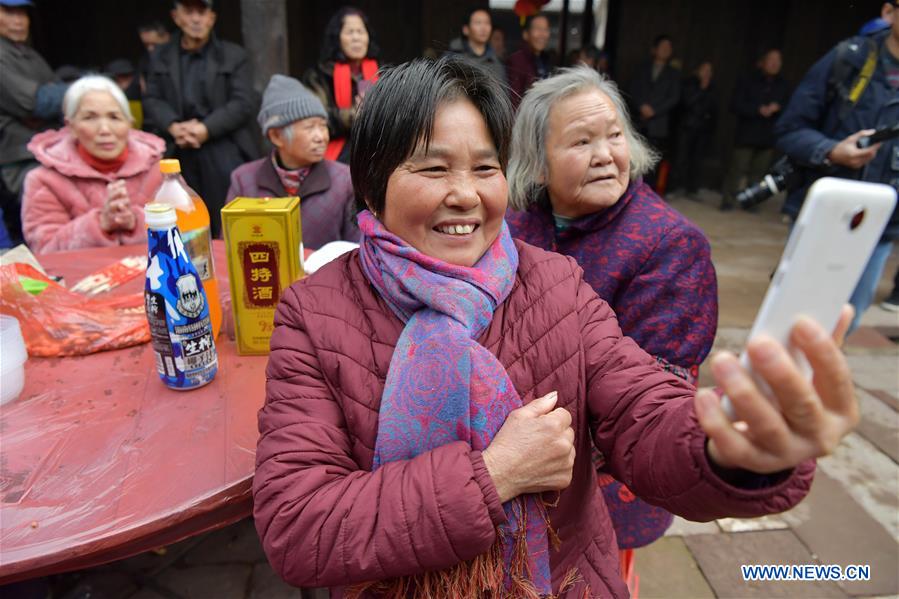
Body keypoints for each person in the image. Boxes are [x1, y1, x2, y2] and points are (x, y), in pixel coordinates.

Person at [253, 55, 859, 598]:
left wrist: (734, 450)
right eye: (434, 169)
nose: (466, 195)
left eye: (485, 167)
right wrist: (494, 475)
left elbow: (644, 412)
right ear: (373, 181)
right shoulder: (314, 313)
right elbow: (298, 527)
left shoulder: (555, 284)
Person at [504, 66, 717, 580]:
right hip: (511, 467)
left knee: (596, 577)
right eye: (581, 141)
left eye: (615, 135)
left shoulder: (669, 244)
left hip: (601, 479)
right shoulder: (515, 222)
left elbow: (657, 387)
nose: (605, 155)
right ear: (537, 165)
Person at [775, 1, 899, 331]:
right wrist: (831, 151)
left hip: (883, 225)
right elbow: (789, 129)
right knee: (795, 319)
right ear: (889, 11)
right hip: (828, 215)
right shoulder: (850, 58)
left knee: (844, 324)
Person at [143, 0, 259, 238]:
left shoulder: (233, 55)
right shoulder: (160, 57)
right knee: (177, 214)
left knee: (226, 214)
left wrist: (205, 129)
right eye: (189, 12)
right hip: (177, 146)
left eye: (201, 12)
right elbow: (152, 99)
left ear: (211, 18)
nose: (196, 19)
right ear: (176, 17)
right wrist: (173, 126)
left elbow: (242, 102)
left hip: (221, 143)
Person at [21, 75, 165, 254]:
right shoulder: (42, 180)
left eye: (114, 117)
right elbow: (44, 249)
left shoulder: (159, 171)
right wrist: (100, 224)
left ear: (129, 123)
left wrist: (136, 221)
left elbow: (189, 232)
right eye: (90, 118)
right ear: (70, 126)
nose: (105, 130)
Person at [226, 75, 359, 249]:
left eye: (323, 126)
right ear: (276, 136)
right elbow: (230, 246)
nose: (321, 137)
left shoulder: (345, 180)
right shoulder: (243, 180)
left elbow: (358, 247)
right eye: (310, 127)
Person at [0, 0, 67, 245]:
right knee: (33, 233)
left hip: (43, 150)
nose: (18, 20)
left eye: (22, 13)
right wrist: (69, 92)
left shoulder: (29, 54)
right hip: (17, 157)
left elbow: (55, 102)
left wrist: (54, 96)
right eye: (9, 12)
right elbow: (35, 103)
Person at [304, 6, 379, 165]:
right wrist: (355, 115)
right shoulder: (319, 74)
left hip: (377, 146)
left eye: (360, 32)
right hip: (340, 150)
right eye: (350, 32)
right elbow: (315, 118)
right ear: (337, 38)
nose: (356, 38)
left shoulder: (382, 71)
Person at [721, 48, 791, 211]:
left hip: (768, 135)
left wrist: (777, 108)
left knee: (759, 173)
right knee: (737, 169)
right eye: (771, 60)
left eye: (778, 60)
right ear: (763, 62)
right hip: (747, 132)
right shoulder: (748, 80)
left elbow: (790, 109)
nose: (774, 64)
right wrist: (757, 109)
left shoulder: (783, 84)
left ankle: (752, 201)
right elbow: (735, 104)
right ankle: (728, 200)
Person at [628, 34, 681, 191]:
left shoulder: (673, 73)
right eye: (662, 47)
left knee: (654, 161)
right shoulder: (641, 68)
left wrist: (654, 110)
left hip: (659, 123)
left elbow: (674, 97)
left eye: (668, 48)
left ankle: (649, 193)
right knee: (635, 158)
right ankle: (632, 191)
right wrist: (641, 106)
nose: (665, 50)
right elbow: (632, 89)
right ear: (654, 49)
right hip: (639, 120)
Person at [671, 60, 718, 198]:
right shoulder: (688, 84)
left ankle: (692, 189)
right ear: (697, 71)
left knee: (697, 161)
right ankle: (673, 188)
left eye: (710, 71)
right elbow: (687, 102)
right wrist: (702, 89)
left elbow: (714, 110)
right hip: (686, 127)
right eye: (704, 70)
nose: (707, 74)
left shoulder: (713, 89)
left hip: (702, 130)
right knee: (680, 159)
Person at [446, 8, 506, 86]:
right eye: (478, 23)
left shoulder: (496, 63)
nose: (483, 28)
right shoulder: (452, 58)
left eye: (487, 23)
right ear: (466, 29)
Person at [506, 14, 553, 109]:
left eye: (546, 29)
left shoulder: (546, 59)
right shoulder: (516, 60)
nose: (542, 34)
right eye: (538, 29)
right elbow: (514, 100)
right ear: (526, 34)